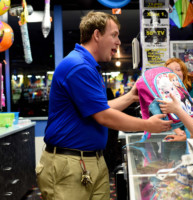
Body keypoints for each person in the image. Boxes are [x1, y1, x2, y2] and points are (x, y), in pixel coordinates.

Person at [35, 11, 172, 200]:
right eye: (114, 35)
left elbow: (100, 108)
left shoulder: (88, 65)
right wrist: (148, 125)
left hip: (92, 160)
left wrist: (131, 96)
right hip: (70, 165)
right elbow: (104, 116)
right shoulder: (79, 66)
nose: (118, 41)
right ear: (97, 35)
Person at [164, 58, 193, 139]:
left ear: (184, 72)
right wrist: (178, 131)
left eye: (178, 70)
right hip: (179, 137)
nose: (174, 73)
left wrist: (189, 135)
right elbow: (168, 117)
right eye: (169, 71)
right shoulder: (167, 92)